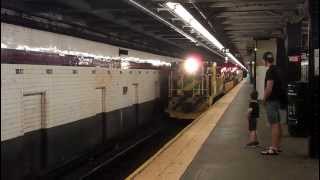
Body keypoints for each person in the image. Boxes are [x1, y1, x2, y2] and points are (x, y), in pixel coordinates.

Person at [261, 52, 283, 155]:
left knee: (274, 124)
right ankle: (277, 146)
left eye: (263, 60)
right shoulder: (277, 69)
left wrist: (264, 99)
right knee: (277, 123)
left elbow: (269, 88)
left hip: (271, 101)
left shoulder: (270, 71)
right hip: (277, 100)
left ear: (265, 60)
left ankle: (273, 148)